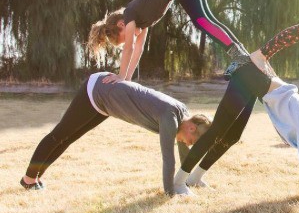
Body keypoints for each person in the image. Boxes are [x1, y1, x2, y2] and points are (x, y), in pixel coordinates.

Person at [173, 62, 299, 204]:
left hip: (257, 85)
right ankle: (179, 182)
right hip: (250, 77)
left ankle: (195, 178)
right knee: (217, 131)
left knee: (232, 136)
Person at [21, 72, 211, 196]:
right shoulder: (171, 119)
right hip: (97, 90)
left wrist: (184, 180)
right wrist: (171, 191)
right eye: (192, 140)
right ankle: (28, 179)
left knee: (68, 138)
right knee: (59, 134)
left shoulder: (183, 114)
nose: (188, 143)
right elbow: (168, 159)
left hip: (106, 104)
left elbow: (182, 151)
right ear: (191, 128)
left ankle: (36, 178)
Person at [87, 0, 248, 82]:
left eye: (126, 36)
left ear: (121, 25)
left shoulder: (130, 14)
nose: (131, 38)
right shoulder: (142, 21)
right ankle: (241, 54)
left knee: (201, 21)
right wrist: (127, 78)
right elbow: (138, 49)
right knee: (208, 19)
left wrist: (120, 76)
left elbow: (129, 47)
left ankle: (239, 56)